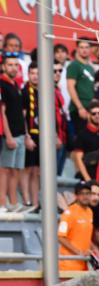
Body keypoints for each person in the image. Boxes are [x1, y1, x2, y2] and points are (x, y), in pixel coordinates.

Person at [0, 53, 29, 212]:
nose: (12, 67)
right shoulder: (2, 85)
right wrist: (8, 135)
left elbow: (21, 113)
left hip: (20, 134)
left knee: (16, 170)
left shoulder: (16, 85)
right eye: (9, 64)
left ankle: (13, 203)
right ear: (3, 66)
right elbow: (2, 112)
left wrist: (25, 135)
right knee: (5, 169)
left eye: (15, 65)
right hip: (9, 135)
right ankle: (2, 204)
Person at [71, 99, 99, 182]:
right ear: (88, 115)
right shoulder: (82, 134)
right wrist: (88, 181)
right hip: (91, 177)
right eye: (94, 113)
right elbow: (78, 159)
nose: (97, 115)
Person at [58, 181, 94, 272]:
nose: (85, 196)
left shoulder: (89, 212)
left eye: (87, 193)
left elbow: (85, 236)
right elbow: (61, 237)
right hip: (69, 265)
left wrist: (93, 251)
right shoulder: (69, 213)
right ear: (76, 195)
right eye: (81, 193)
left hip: (84, 263)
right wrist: (79, 253)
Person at [20, 62, 40, 213]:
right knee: (27, 169)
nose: (35, 76)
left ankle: (35, 202)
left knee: (37, 171)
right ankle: (26, 200)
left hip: (41, 136)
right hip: (30, 135)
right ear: (28, 74)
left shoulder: (43, 91)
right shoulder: (25, 91)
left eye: (38, 74)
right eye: (33, 73)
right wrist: (27, 136)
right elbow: (23, 116)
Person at [67, 37, 96, 133]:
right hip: (78, 110)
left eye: (86, 47)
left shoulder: (90, 67)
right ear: (77, 49)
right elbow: (70, 87)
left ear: (90, 49)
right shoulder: (74, 65)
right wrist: (80, 107)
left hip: (90, 109)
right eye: (81, 47)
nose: (84, 50)